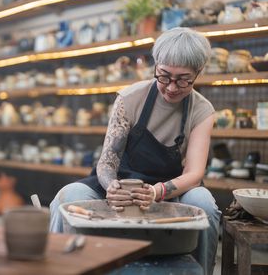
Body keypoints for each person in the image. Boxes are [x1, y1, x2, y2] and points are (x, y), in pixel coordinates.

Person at [49, 27, 221, 275]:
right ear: (155, 66)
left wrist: (156, 192)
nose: (172, 87)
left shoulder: (202, 110)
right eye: (164, 76)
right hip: (119, 187)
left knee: (203, 202)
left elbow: (194, 173)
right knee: (68, 195)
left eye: (183, 79)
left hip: (168, 190)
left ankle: (200, 271)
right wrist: (112, 187)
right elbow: (107, 162)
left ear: (198, 73)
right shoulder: (130, 98)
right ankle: (58, 268)